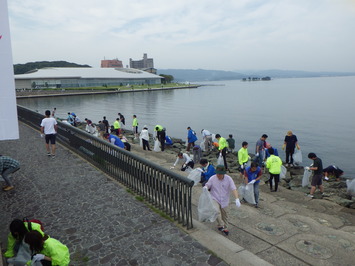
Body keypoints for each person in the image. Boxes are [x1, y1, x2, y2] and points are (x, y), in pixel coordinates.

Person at [204, 165, 241, 236]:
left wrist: (237, 199)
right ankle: (221, 224)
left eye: (220, 174)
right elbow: (208, 185)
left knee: (225, 214)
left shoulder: (228, 179)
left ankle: (224, 227)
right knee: (216, 211)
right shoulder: (212, 178)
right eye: (217, 173)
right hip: (215, 198)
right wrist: (206, 187)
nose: (218, 175)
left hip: (225, 199)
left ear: (223, 173)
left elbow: (233, 188)